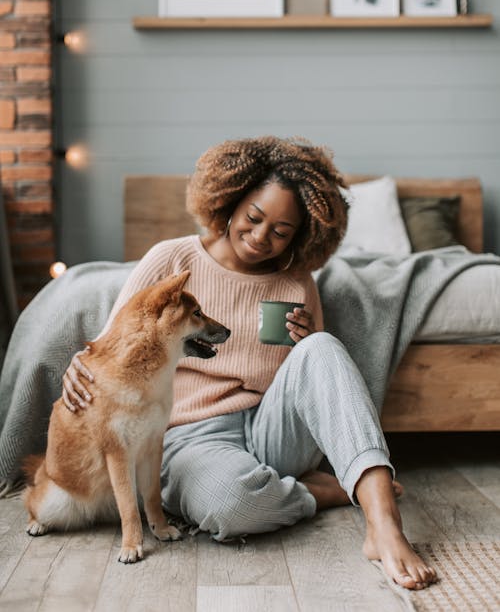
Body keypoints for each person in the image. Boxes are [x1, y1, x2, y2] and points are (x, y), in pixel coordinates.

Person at [62, 136, 436, 591]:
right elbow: (111, 343)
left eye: (281, 232)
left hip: (268, 427)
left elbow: (317, 378)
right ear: (230, 202)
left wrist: (308, 340)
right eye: (254, 218)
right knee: (232, 505)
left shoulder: (297, 280)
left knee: (322, 347)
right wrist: (80, 366)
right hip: (188, 439)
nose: (261, 238)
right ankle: (324, 491)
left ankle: (385, 523)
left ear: (302, 236)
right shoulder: (172, 258)